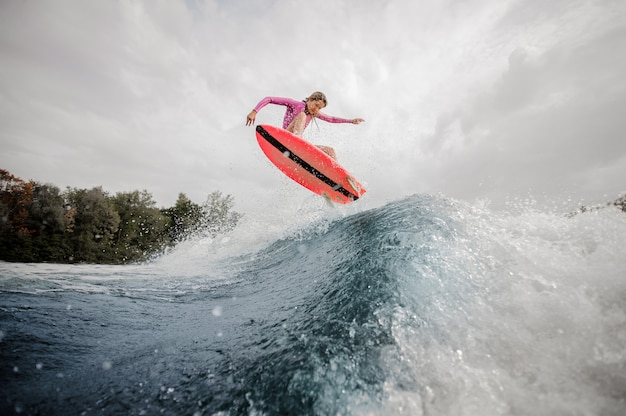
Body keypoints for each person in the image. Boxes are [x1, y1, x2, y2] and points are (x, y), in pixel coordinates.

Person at [246, 91, 364, 160]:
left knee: (330, 151)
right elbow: (269, 98)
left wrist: (350, 121)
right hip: (285, 138)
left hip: (298, 145)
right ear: (310, 99)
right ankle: (297, 143)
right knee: (302, 115)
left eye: (319, 108)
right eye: (316, 105)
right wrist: (254, 111)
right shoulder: (295, 105)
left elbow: (331, 119)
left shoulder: (314, 113)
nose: (316, 109)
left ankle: (336, 178)